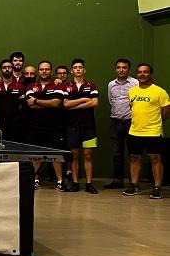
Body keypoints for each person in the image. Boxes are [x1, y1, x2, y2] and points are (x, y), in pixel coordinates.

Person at [123, 64, 170, 198]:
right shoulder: (132, 91)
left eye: (145, 72)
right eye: (139, 72)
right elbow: (132, 107)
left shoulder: (159, 92)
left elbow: (166, 112)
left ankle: (157, 187)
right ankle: (134, 185)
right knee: (134, 158)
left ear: (151, 74)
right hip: (134, 131)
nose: (142, 74)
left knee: (155, 159)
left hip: (153, 132)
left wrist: (153, 123)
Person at [25, 60, 66, 191]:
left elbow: (56, 103)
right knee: (36, 154)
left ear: (51, 71)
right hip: (35, 126)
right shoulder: (31, 86)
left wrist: (37, 100)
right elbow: (30, 105)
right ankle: (34, 179)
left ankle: (60, 181)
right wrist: (47, 102)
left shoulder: (57, 85)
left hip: (54, 126)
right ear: (38, 71)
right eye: (42, 69)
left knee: (55, 154)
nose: (44, 71)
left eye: (47, 69)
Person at [60, 58, 99, 194]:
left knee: (88, 155)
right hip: (72, 126)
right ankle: (75, 183)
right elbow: (65, 104)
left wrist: (73, 105)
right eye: (75, 67)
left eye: (80, 67)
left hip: (89, 126)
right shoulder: (66, 86)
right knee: (74, 156)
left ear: (84, 70)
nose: (78, 69)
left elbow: (94, 103)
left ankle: (89, 184)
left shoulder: (91, 85)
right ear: (72, 70)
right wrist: (83, 99)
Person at [105, 58, 139, 189]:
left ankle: (133, 182)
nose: (121, 69)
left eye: (124, 67)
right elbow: (111, 101)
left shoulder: (135, 82)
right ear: (115, 69)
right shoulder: (111, 85)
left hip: (131, 122)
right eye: (119, 67)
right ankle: (118, 180)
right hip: (115, 122)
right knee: (117, 153)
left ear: (128, 69)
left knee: (133, 153)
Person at [0, 59, 25, 142]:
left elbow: (21, 105)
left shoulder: (20, 86)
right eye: (4, 67)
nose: (7, 69)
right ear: (0, 70)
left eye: (9, 67)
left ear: (13, 69)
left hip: (15, 123)